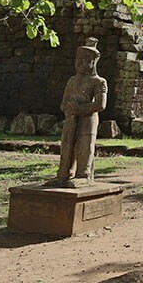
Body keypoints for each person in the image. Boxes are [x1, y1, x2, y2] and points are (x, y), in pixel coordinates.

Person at [47, 38, 108, 188]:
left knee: (84, 146)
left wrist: (80, 109)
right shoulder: (72, 81)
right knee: (67, 145)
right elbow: (63, 103)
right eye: (78, 60)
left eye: (85, 60)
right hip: (71, 118)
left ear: (93, 62)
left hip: (88, 119)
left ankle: (84, 174)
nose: (80, 64)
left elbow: (100, 105)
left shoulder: (98, 81)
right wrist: (69, 109)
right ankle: (64, 174)